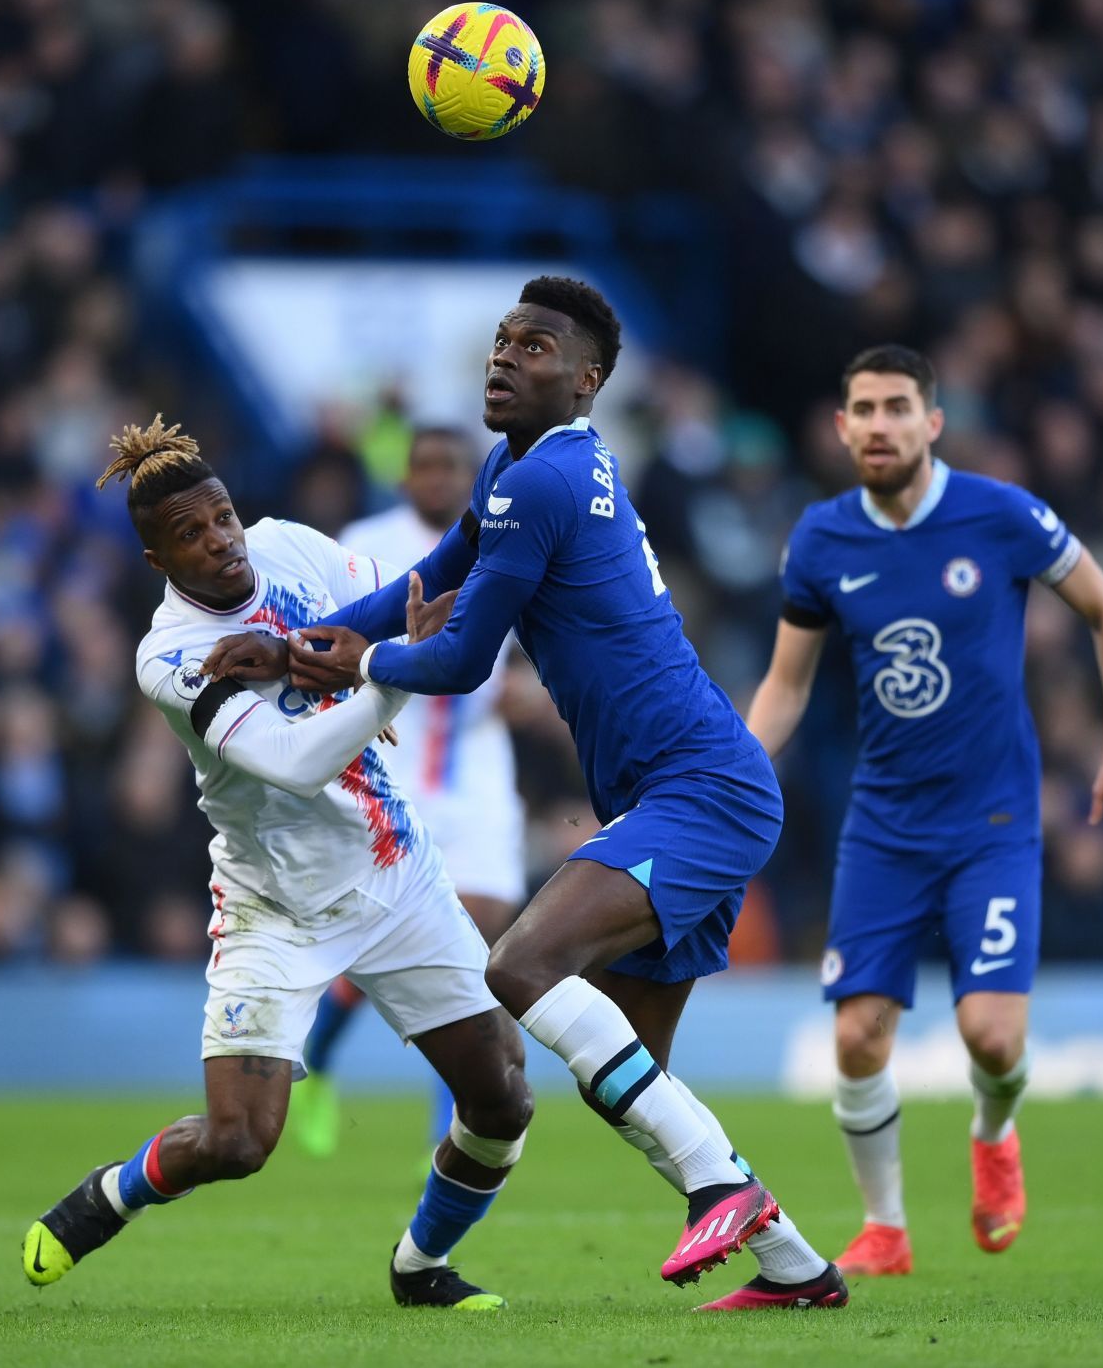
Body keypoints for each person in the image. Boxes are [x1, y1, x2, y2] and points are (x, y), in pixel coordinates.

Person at [206, 277, 845, 1312]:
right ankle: (798, 1269)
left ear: (587, 381)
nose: (505, 356)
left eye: (536, 346)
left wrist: (360, 666)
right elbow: (420, 584)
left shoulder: (540, 483)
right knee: (635, 1073)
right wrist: (295, 649)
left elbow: (456, 657)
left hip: (700, 789)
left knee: (522, 962)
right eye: (503, 340)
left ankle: (725, 1188)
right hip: (689, 788)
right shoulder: (524, 466)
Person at [20, 417, 534, 1311]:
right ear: (158, 561)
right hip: (275, 904)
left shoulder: (290, 547)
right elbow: (298, 763)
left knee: (503, 1103)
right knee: (239, 1142)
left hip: (393, 866)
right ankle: (111, 1195)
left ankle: (422, 1268)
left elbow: (390, 605)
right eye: (190, 534)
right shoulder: (171, 659)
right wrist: (389, 677)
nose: (219, 541)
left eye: (220, 516)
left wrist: (403, 640)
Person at [744, 345, 1103, 1276]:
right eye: (864, 408)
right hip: (884, 826)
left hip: (993, 825)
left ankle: (994, 1133)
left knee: (992, 1035)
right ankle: (885, 1230)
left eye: (898, 407)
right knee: (856, 1036)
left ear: (933, 423)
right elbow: (785, 686)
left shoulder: (1000, 514)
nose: (880, 424)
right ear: (841, 427)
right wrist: (729, 771)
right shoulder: (820, 540)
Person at [294, 428, 532, 1159]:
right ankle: (317, 1064)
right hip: (391, 757)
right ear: (404, 478)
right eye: (422, 466)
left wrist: (527, 691)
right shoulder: (367, 543)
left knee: (483, 942)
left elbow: (527, 653)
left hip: (477, 762)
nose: (435, 478)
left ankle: (453, 1125)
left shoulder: (512, 538)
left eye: (449, 468)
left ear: (470, 480)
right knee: (391, 938)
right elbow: (326, 639)